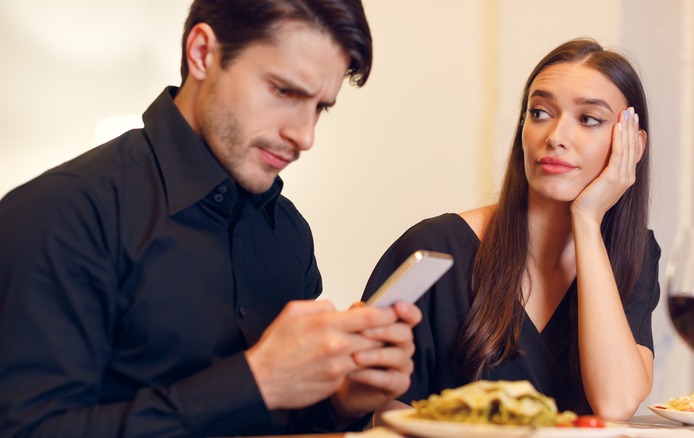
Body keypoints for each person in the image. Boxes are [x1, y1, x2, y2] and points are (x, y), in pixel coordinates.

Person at [0, 1, 421, 436]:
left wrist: (338, 404)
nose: (305, 135)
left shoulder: (289, 233)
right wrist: (254, 383)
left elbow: (289, 422)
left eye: (320, 107)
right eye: (284, 91)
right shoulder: (62, 213)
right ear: (202, 53)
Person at [362, 38, 660, 421]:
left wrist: (586, 220)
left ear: (632, 146)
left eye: (588, 119)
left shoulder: (636, 252)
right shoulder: (433, 249)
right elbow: (377, 413)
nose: (555, 136)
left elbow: (616, 402)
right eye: (539, 113)